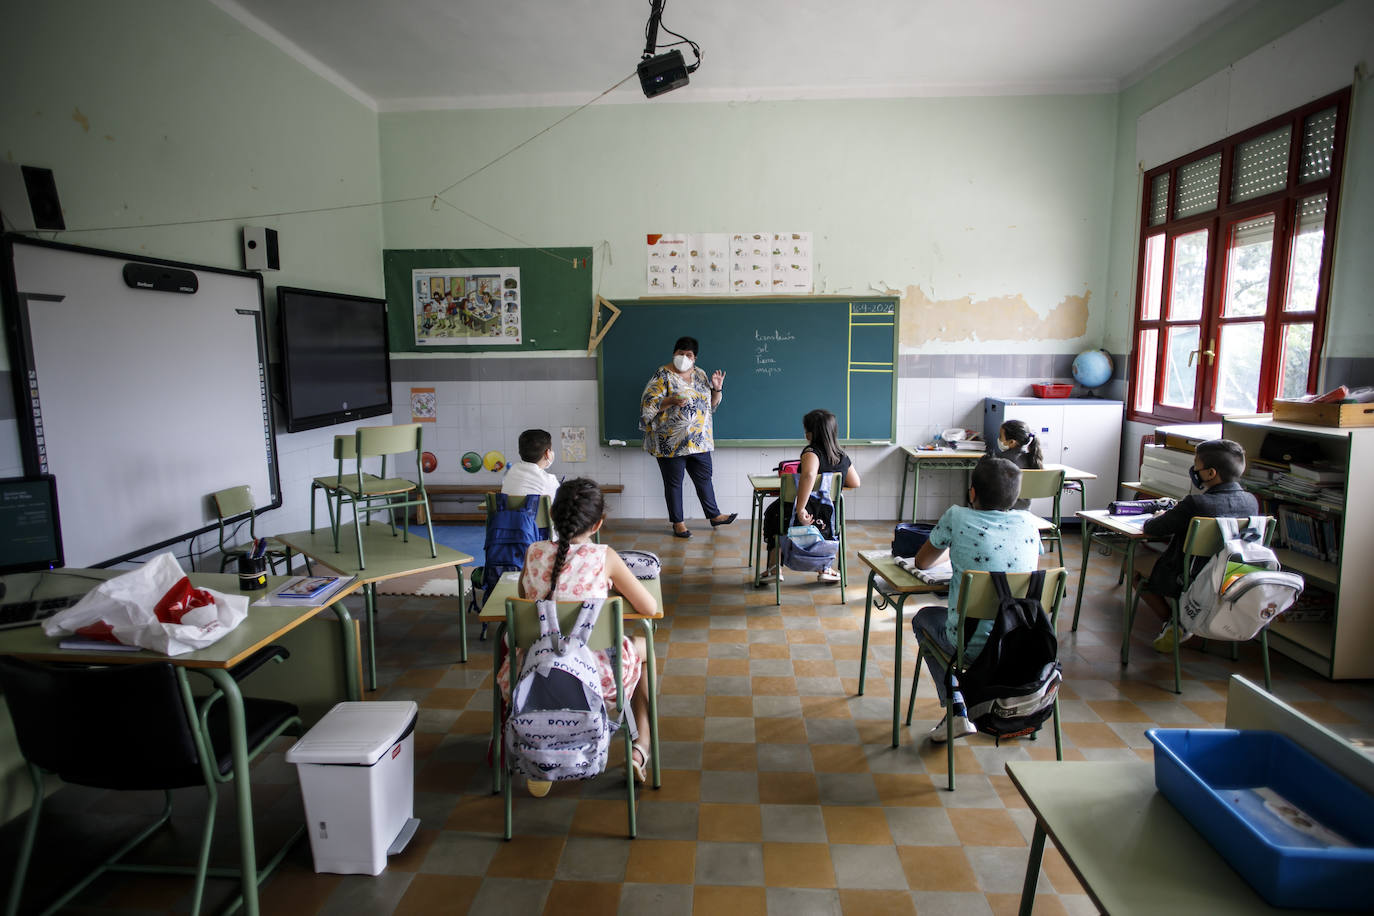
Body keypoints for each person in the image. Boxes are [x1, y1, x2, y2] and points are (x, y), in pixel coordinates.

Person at [498, 478, 660, 794]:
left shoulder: (533, 552)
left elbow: (524, 598)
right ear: (599, 522)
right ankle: (641, 746)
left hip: (530, 676)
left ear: (553, 517)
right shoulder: (605, 557)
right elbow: (649, 607)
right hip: (594, 681)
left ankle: (537, 749)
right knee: (644, 647)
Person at [912, 456, 1043, 742]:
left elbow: (922, 562)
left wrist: (952, 551)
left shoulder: (957, 516)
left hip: (972, 644)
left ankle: (957, 711)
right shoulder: (1030, 522)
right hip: (1022, 642)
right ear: (1017, 495)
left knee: (922, 618)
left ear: (972, 492)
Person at [1136, 438, 1258, 653]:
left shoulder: (1195, 503)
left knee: (1133, 567)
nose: (1194, 471)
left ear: (1211, 473)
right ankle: (1193, 621)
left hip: (1189, 575)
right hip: (1234, 574)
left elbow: (1153, 528)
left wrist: (1159, 515)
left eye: (1196, 466)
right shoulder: (1251, 502)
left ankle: (1176, 623)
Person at [639, 335, 736, 538]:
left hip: (699, 440)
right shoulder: (662, 375)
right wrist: (671, 400)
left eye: (688, 354)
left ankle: (714, 515)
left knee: (704, 478)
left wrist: (717, 389)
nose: (684, 357)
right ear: (674, 353)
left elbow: (711, 405)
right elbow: (648, 404)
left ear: (695, 358)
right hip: (670, 441)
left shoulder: (700, 374)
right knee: (674, 483)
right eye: (680, 353)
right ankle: (678, 523)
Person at [761, 409, 861, 584]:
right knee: (825, 527)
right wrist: (831, 484)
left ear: (810, 434)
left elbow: (808, 475)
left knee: (773, 514)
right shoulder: (842, 455)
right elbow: (855, 482)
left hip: (800, 515)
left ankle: (774, 566)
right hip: (828, 518)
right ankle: (825, 568)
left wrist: (800, 508)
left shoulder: (811, 452)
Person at [990, 419, 1044, 510]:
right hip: (1025, 511)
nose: (998, 439)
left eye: (1000, 436)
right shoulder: (1033, 460)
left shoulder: (1000, 460)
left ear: (1012, 442)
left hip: (1002, 512)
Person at [501, 428, 559, 503]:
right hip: (539, 515)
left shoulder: (511, 472)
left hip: (507, 514)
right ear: (547, 453)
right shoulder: (549, 481)